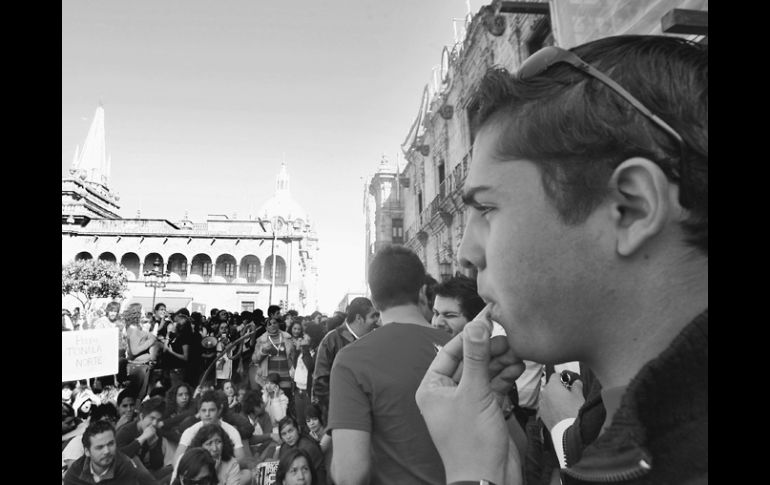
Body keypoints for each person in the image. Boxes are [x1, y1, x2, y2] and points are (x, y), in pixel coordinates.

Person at [415, 35, 708, 485]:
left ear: (630, 207)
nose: (465, 254)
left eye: (489, 208)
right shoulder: (612, 428)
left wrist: (473, 477)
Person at [328, 245, 451, 484]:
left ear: (374, 300)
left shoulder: (352, 360)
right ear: (424, 291)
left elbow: (349, 474)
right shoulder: (461, 349)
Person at [311, 297, 378, 423]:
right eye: (373, 316)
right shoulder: (331, 341)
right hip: (343, 418)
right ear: (359, 318)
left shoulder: (375, 338)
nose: (377, 320)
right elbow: (320, 383)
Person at [175, 390, 252, 477]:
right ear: (199, 412)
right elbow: (177, 460)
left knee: (247, 474)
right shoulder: (190, 431)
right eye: (203, 411)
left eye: (211, 410)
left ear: (219, 410)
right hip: (197, 474)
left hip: (224, 473)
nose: (207, 414)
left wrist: (220, 465)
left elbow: (241, 459)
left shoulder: (231, 431)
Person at [64, 419, 158, 485]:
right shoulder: (75, 473)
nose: (107, 451)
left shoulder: (126, 467)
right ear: (87, 452)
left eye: (110, 444)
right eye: (99, 447)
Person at [116, 396, 173, 482]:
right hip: (124, 476)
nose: (154, 423)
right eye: (152, 418)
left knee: (174, 469)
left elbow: (157, 465)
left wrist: (153, 448)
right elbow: (118, 456)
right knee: (134, 459)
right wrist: (141, 439)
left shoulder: (156, 431)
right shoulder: (126, 431)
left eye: (158, 420)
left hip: (146, 475)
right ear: (142, 416)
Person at [176, 424, 240, 485]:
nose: (215, 449)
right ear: (200, 446)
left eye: (218, 442)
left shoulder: (232, 464)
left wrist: (214, 475)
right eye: (209, 444)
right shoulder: (185, 459)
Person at [125, 303, 160, 401]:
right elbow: (135, 350)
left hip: (142, 365)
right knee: (137, 395)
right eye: (142, 312)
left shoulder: (137, 328)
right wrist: (151, 341)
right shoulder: (133, 329)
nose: (144, 314)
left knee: (141, 395)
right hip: (138, 367)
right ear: (136, 313)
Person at [277, 416, 325, 484]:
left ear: (298, 429)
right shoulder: (284, 446)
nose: (288, 436)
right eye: (284, 434)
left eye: (290, 431)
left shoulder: (308, 448)